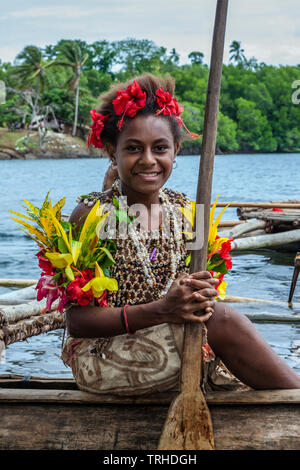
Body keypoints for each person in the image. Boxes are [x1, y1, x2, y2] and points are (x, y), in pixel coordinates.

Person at [62, 74, 300, 395]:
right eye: (133, 148)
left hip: (180, 341)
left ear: (175, 149)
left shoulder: (191, 212)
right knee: (225, 322)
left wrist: (200, 293)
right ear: (111, 152)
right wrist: (163, 309)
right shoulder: (93, 215)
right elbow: (77, 322)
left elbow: (206, 293)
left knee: (222, 320)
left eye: (159, 148)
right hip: (104, 355)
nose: (148, 160)